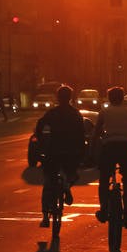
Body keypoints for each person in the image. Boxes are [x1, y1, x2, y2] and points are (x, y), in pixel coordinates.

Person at [34, 85, 86, 228]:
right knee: (73, 174)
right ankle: (67, 186)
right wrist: (81, 151)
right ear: (71, 98)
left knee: (48, 182)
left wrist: (41, 141)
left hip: (54, 150)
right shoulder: (75, 114)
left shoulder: (52, 113)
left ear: (57, 98)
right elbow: (81, 134)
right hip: (71, 151)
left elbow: (39, 126)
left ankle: (45, 217)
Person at [95, 86, 127, 228]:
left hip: (109, 148)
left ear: (109, 98)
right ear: (123, 98)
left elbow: (96, 134)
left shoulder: (104, 112)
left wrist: (93, 153)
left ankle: (104, 210)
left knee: (104, 179)